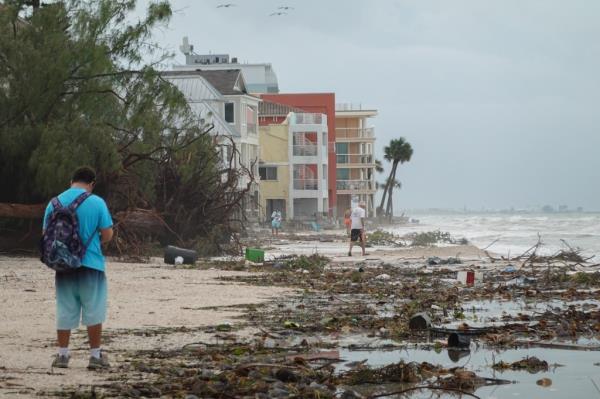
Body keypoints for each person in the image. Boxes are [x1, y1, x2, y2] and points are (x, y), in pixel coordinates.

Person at [43, 167, 113, 370]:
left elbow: (45, 234)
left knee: (64, 309)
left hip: (63, 265)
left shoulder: (54, 203)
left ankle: (62, 355)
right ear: (92, 183)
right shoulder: (97, 202)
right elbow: (107, 235)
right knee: (94, 310)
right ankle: (95, 356)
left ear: (71, 180)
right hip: (91, 264)